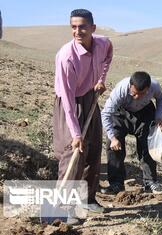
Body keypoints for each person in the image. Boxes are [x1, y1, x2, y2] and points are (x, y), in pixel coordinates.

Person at [53, 9, 113, 219]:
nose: (77, 31)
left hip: (90, 96)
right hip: (69, 104)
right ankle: (64, 209)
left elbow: (109, 55)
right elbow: (68, 101)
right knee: (74, 152)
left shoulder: (102, 43)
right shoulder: (66, 57)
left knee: (94, 148)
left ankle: (88, 199)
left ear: (92, 28)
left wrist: (101, 79)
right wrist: (76, 134)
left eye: (82, 26)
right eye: (73, 27)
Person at [101, 71, 162, 195]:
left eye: (141, 94)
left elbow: (161, 99)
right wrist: (112, 137)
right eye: (134, 93)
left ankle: (150, 182)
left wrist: (159, 116)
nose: (136, 97)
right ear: (130, 85)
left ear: (148, 89)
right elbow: (105, 114)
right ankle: (116, 184)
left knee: (147, 147)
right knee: (113, 146)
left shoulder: (154, 86)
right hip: (121, 114)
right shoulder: (120, 89)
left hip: (145, 113)